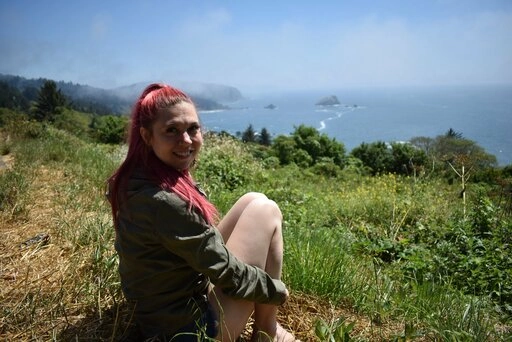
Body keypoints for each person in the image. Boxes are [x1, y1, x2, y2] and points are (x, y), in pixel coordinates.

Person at [107, 83, 299, 341]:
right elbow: (231, 276)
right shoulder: (163, 202)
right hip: (190, 332)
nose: (186, 140)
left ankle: (267, 328)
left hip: (160, 314)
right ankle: (266, 331)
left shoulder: (135, 177)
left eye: (193, 128)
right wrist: (277, 291)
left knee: (252, 199)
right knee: (266, 210)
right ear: (146, 135)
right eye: (171, 130)